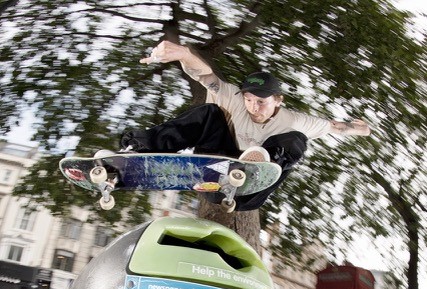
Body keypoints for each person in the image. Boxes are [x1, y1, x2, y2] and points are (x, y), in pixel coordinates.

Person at [120, 40, 371, 211]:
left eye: (261, 101)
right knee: (209, 112)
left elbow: (335, 127)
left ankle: (257, 167)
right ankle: (139, 149)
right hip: (216, 167)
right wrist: (185, 54)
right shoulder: (234, 98)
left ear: (278, 100)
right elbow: (206, 76)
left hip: (246, 194)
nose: (253, 107)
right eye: (249, 100)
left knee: (296, 139)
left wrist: (361, 129)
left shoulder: (294, 120)